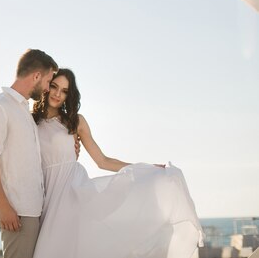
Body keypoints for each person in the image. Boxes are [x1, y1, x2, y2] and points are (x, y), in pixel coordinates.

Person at [32, 68, 204, 258]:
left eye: (64, 90)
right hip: (45, 196)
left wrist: (143, 168)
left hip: (72, 195)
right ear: (46, 86)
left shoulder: (75, 122)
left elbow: (102, 161)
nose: (58, 94)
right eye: (55, 86)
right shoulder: (30, 121)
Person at [0, 49, 58, 258]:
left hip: (33, 209)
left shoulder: (23, 111)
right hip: (17, 212)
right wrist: (3, 206)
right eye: (48, 81)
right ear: (36, 76)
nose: (48, 89)